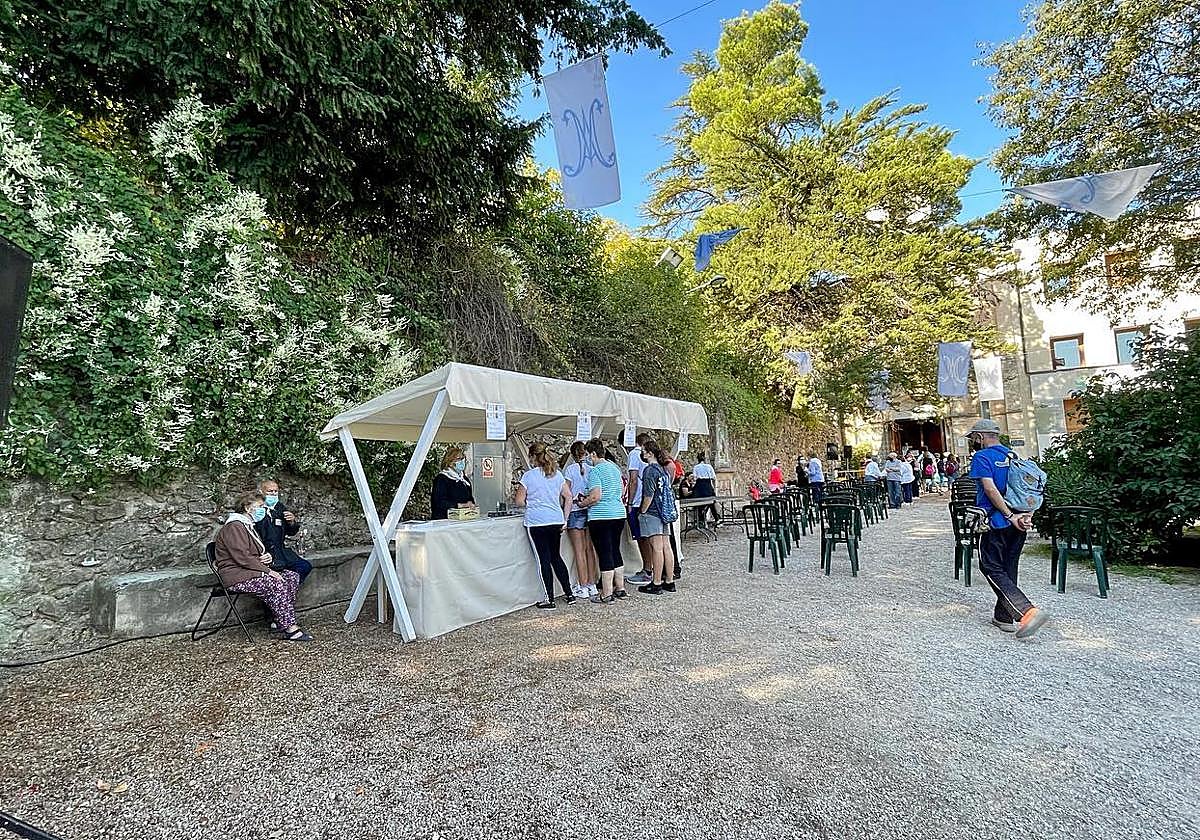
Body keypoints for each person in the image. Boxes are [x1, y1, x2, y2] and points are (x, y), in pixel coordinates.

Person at [967, 419, 1049, 637]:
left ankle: (1027, 612)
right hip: (1018, 522)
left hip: (996, 521)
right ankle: (1003, 617)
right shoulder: (1013, 455)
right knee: (1008, 567)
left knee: (990, 566)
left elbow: (990, 489)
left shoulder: (982, 457)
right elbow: (1031, 488)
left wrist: (1009, 515)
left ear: (980, 436)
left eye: (973, 438)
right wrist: (1025, 516)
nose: (972, 442)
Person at [214, 491, 311, 642]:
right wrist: (268, 571)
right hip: (237, 575)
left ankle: (280, 619)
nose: (263, 509)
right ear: (247, 508)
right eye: (259, 506)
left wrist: (267, 557)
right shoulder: (234, 526)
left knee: (292, 576)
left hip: (249, 570)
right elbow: (242, 557)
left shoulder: (247, 525)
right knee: (276, 582)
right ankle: (290, 628)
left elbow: (253, 553)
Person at [514, 442, 575, 609]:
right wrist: (565, 519)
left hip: (537, 522)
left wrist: (531, 502)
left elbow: (519, 501)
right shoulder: (557, 474)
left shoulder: (528, 476)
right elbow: (568, 497)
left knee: (544, 560)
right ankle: (569, 593)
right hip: (555, 519)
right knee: (556, 557)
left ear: (532, 457)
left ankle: (549, 598)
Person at [578, 438, 628, 604]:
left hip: (601, 516)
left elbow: (595, 496)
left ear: (593, 454)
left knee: (604, 553)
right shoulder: (614, 468)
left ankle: (606, 593)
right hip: (618, 513)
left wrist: (582, 503)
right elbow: (622, 489)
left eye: (587, 454)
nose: (586, 458)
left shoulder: (596, 471)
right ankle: (620, 588)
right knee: (615, 550)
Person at [636, 439, 679, 595]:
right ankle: (670, 580)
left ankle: (656, 582)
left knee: (656, 548)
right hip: (664, 512)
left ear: (649, 453)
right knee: (666, 546)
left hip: (653, 512)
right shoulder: (663, 470)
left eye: (643, 451)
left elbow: (648, 495)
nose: (642, 453)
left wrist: (642, 511)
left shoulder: (649, 471)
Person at [254, 478, 312, 584]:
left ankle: (288, 588)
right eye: (270, 491)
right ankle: (284, 589)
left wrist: (292, 522)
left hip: (281, 551)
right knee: (275, 576)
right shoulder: (256, 509)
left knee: (304, 566)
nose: (273, 494)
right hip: (264, 553)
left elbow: (291, 532)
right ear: (261, 492)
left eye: (276, 491)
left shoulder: (279, 507)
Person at [561, 441, 599, 599]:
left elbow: (566, 493)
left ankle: (582, 585)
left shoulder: (570, 470)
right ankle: (592, 584)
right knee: (589, 550)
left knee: (579, 551)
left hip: (575, 511)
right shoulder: (593, 469)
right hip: (589, 510)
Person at [625, 432, 654, 586]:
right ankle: (650, 568)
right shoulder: (651, 458)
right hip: (648, 501)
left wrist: (629, 502)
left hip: (637, 502)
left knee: (642, 538)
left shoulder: (634, 454)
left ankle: (647, 570)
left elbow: (633, 480)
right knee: (648, 538)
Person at [431, 448, 475, 520]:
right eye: (459, 459)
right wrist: (460, 505)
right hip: (444, 520)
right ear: (450, 462)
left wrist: (470, 503)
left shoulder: (464, 479)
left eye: (463, 458)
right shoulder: (442, 479)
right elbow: (439, 502)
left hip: (463, 519)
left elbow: (469, 497)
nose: (462, 461)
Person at [692, 452, 719, 527]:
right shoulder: (709, 466)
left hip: (699, 486)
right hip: (707, 485)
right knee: (711, 502)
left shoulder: (696, 467)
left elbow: (695, 478)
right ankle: (716, 518)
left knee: (699, 504)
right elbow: (713, 477)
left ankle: (701, 520)